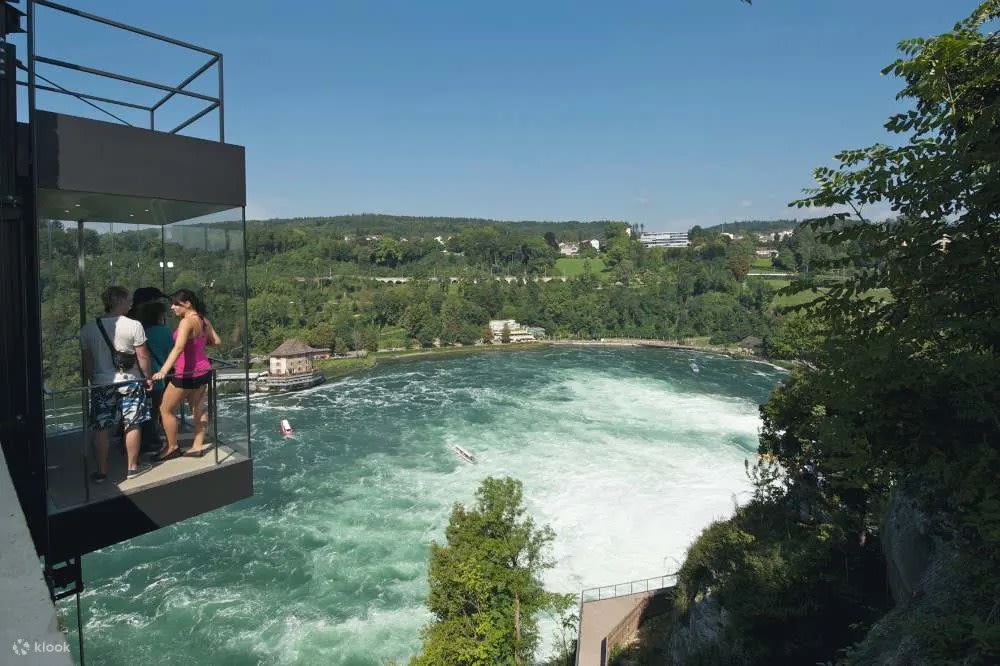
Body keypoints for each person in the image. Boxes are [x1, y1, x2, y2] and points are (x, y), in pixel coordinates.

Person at [79, 286, 153, 482]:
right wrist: (148, 378)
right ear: (119, 301)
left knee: (102, 427)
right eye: (128, 301)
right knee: (132, 422)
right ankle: (132, 467)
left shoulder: (87, 329)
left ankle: (102, 471)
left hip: (102, 381)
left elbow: (87, 362)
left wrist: (92, 380)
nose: (131, 304)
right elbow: (143, 355)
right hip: (131, 380)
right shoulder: (134, 325)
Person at [151, 289, 221, 460]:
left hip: (185, 373)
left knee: (165, 409)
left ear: (187, 303)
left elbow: (179, 347)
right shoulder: (203, 320)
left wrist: (163, 370)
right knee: (198, 407)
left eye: (176, 303)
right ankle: (197, 446)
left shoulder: (186, 322)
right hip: (203, 370)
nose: (172, 307)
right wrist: (200, 344)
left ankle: (172, 447)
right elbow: (217, 341)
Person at [136, 300, 173, 454]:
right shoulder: (165, 332)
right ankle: (153, 439)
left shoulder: (142, 331)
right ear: (160, 315)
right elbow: (172, 352)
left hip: (139, 378)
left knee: (142, 411)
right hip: (158, 378)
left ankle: (141, 441)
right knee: (157, 410)